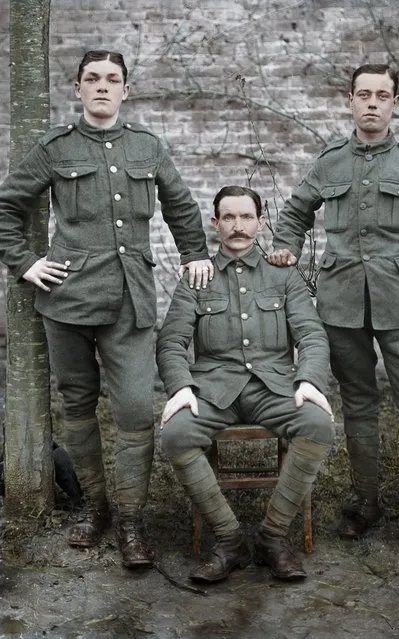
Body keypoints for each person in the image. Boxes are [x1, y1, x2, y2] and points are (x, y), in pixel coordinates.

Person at [0, 50, 214, 568]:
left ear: (125, 89)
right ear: (77, 89)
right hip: (67, 299)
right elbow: (7, 205)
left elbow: (181, 204)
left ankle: (131, 521)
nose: (101, 87)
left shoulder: (147, 146)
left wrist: (196, 253)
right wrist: (25, 264)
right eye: (91, 79)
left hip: (130, 300)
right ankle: (94, 509)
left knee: (137, 410)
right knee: (77, 406)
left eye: (112, 79)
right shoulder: (55, 148)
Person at [268, 64, 399, 550]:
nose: (372, 103)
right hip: (341, 305)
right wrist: (285, 244)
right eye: (364, 94)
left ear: (394, 104)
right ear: (350, 100)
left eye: (382, 96)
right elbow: (294, 211)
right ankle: (366, 503)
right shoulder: (329, 162)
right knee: (359, 406)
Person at [157, 185, 335, 583]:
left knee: (318, 425)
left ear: (259, 220)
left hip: (273, 387)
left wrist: (308, 380)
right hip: (214, 389)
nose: (238, 227)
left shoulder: (282, 276)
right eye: (229, 218)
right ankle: (229, 540)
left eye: (247, 217)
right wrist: (181, 387)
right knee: (177, 434)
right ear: (215, 222)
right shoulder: (196, 277)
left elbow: (311, 335)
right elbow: (171, 341)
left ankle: (273, 538)